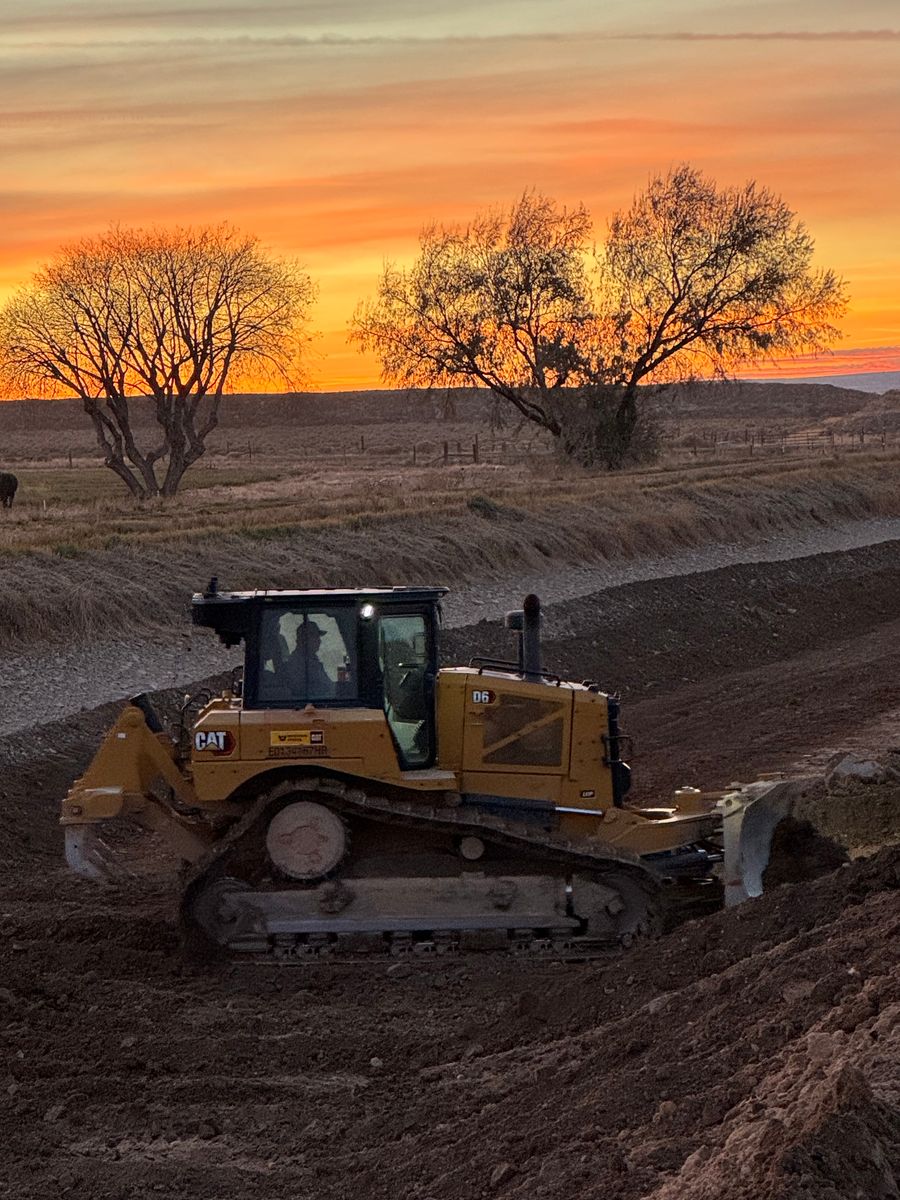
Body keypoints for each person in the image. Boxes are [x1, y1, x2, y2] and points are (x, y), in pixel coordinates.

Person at [280, 619, 334, 698]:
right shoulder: (297, 664)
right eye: (315, 637)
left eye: (318, 637)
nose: (319, 641)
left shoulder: (312, 660)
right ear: (303, 640)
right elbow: (302, 691)